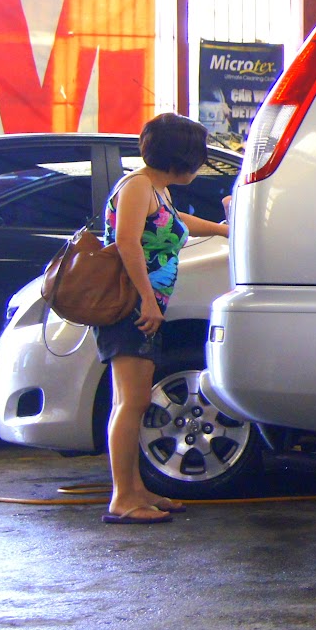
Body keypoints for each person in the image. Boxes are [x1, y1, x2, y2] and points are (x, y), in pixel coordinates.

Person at [98, 113, 230, 525]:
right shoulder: (138, 187)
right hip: (131, 310)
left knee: (132, 402)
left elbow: (177, 224)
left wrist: (223, 229)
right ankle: (122, 498)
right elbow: (126, 243)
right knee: (130, 402)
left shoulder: (157, 188)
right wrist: (148, 302)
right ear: (182, 158)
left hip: (143, 306)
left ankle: (137, 489)